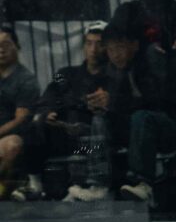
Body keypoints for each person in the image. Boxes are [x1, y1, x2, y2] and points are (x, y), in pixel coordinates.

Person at [93, 15, 176, 206]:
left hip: (175, 125)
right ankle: (101, 182)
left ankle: (144, 183)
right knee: (99, 119)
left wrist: (115, 102)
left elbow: (156, 101)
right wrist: (100, 105)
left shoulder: (152, 59)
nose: (115, 54)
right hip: (143, 129)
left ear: (134, 45)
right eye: (110, 49)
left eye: (119, 47)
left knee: (141, 117)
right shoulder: (115, 70)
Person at [14, 21, 109, 202]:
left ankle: (81, 188)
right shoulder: (64, 73)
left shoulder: (112, 76)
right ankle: (34, 184)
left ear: (107, 46)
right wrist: (48, 112)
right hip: (64, 136)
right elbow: (47, 97)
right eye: (89, 43)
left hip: (94, 142)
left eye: (99, 44)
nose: (93, 49)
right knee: (35, 124)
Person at [0, 27, 40, 199]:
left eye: (6, 44)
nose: (1, 49)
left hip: (11, 137)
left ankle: (1, 191)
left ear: (17, 46)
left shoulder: (26, 80)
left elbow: (21, 118)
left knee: (12, 145)